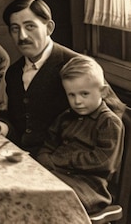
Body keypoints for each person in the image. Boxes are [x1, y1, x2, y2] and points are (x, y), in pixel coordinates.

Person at [0, 0, 79, 154]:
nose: (22, 36)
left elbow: (112, 117)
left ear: (49, 27)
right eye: (15, 29)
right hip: (24, 159)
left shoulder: (76, 65)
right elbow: (18, 123)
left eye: (30, 26)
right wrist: (0, 125)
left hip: (65, 164)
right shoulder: (14, 73)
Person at [37, 55, 125, 215]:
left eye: (84, 94)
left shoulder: (109, 122)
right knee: (31, 189)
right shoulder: (65, 117)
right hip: (60, 175)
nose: (77, 101)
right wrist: (44, 158)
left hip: (90, 186)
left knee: (51, 199)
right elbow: (49, 144)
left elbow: (103, 161)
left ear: (103, 91)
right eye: (71, 95)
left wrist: (60, 160)